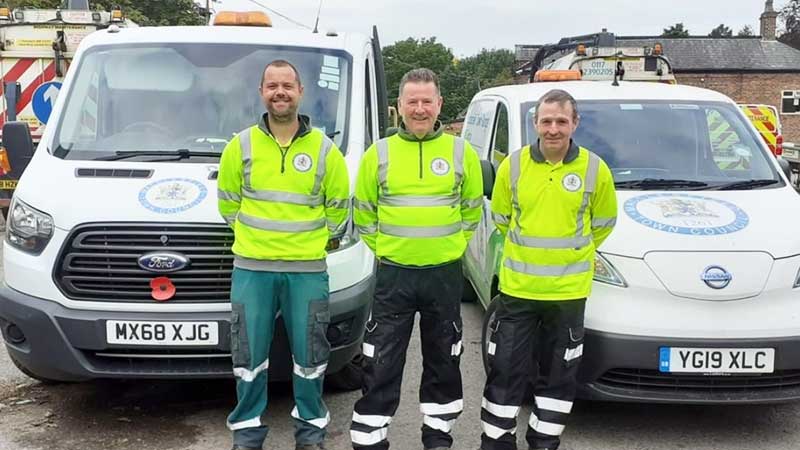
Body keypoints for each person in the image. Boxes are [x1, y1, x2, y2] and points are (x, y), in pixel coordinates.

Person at [217, 59, 350, 450]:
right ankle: (247, 432)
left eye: (287, 85)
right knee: (248, 355)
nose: (280, 92)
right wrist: (256, 240)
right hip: (252, 270)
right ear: (262, 92)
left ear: (300, 92)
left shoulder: (326, 151)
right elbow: (227, 205)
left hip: (306, 271)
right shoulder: (239, 146)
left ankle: (310, 432)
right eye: (272, 85)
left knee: (310, 354)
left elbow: (339, 210)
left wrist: (310, 244)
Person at [349, 68, 484, 450]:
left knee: (444, 357)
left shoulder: (461, 152)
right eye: (413, 102)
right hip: (394, 275)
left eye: (427, 101)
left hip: (444, 274)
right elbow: (364, 212)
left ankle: (438, 434)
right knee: (381, 358)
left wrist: (451, 246)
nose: (420, 109)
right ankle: (371, 435)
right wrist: (390, 249)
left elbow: (471, 211)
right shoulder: (380, 153)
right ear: (399, 107)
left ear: (439, 104)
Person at [479, 89, 617, 450]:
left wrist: (569, 255)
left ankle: (544, 441)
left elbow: (603, 223)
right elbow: (502, 218)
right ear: (535, 123)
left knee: (559, 377)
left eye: (561, 121)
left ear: (574, 123)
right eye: (546, 121)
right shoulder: (514, 165)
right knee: (505, 370)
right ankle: (496, 442)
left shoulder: (594, 169)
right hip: (517, 291)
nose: (553, 129)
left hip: (568, 294)